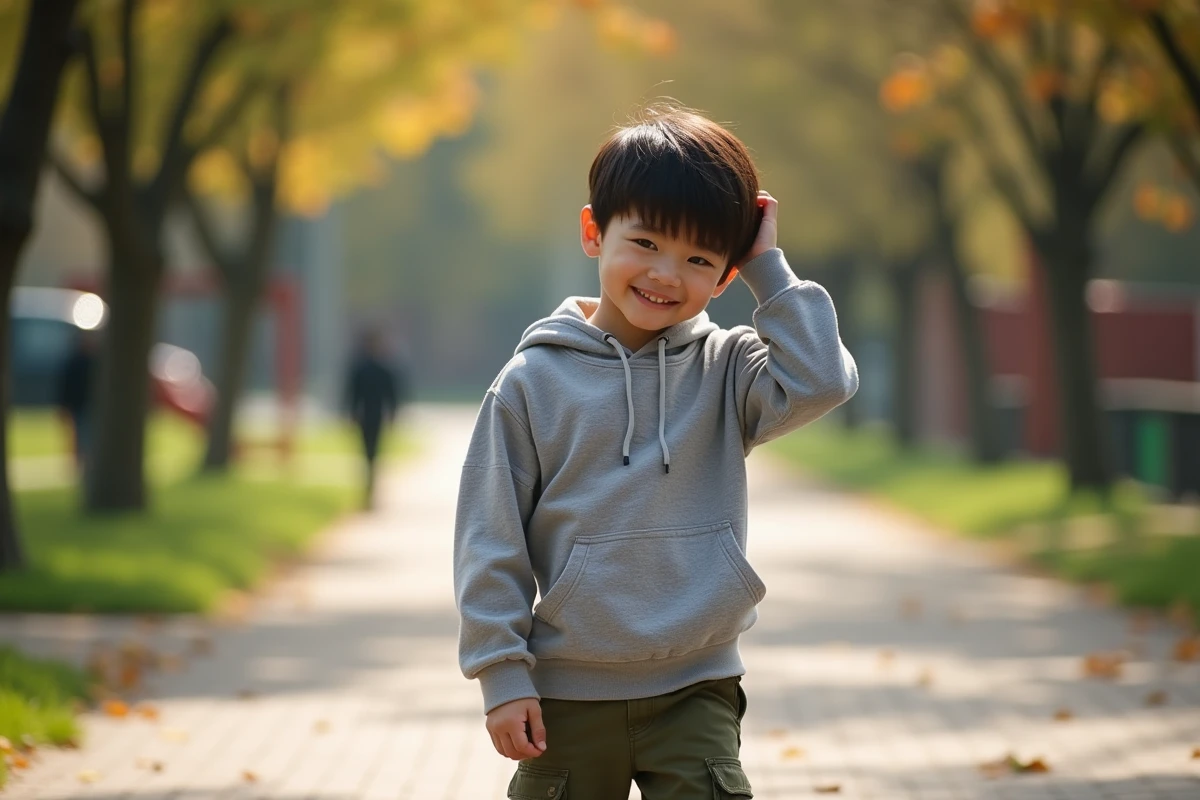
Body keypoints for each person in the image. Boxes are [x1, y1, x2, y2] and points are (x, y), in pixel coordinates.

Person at [453, 104, 859, 799]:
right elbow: (490, 540)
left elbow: (823, 380)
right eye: (644, 243)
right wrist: (502, 675)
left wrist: (768, 268)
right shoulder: (531, 383)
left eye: (699, 259)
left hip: (697, 685)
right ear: (594, 232)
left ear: (726, 275)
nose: (667, 274)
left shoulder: (729, 370)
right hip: (567, 696)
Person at [343, 329, 407, 510]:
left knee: (371, 453)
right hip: (369, 416)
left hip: (372, 416)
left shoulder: (368, 368)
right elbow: (353, 394)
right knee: (369, 453)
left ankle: (370, 489)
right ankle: (369, 488)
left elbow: (391, 395)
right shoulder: (371, 368)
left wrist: (393, 414)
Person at [56, 329, 99, 473]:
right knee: (80, 437)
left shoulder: (95, 362)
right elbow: (66, 386)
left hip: (90, 407)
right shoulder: (75, 362)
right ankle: (80, 466)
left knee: (87, 436)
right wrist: (64, 406)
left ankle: (88, 464)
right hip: (79, 407)